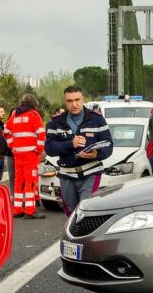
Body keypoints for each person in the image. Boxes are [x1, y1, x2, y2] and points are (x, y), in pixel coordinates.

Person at [45, 85, 113, 216]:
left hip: (91, 173)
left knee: (86, 209)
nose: (74, 104)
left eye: (77, 100)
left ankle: (88, 236)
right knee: (71, 213)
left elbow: (109, 145)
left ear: (83, 99)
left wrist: (96, 154)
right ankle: (73, 236)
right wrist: (71, 144)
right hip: (67, 174)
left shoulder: (97, 119)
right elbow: (49, 149)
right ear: (65, 102)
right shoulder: (56, 122)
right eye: (70, 101)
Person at [4, 94, 46, 218]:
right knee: (30, 181)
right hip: (30, 155)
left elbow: (5, 132)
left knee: (19, 181)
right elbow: (41, 133)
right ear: (33, 103)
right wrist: (39, 149)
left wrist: (13, 147)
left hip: (18, 154)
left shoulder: (15, 115)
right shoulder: (34, 115)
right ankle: (30, 210)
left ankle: (17, 210)